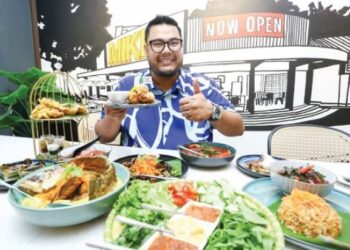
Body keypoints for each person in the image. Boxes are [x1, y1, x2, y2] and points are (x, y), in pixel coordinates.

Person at [95, 15, 244, 149]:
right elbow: (104, 137)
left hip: (194, 175)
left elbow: (238, 128)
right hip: (139, 174)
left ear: (181, 47)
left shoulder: (202, 84)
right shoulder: (125, 87)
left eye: (173, 42)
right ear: (146, 50)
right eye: (158, 44)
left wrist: (212, 112)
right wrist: (112, 118)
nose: (166, 50)